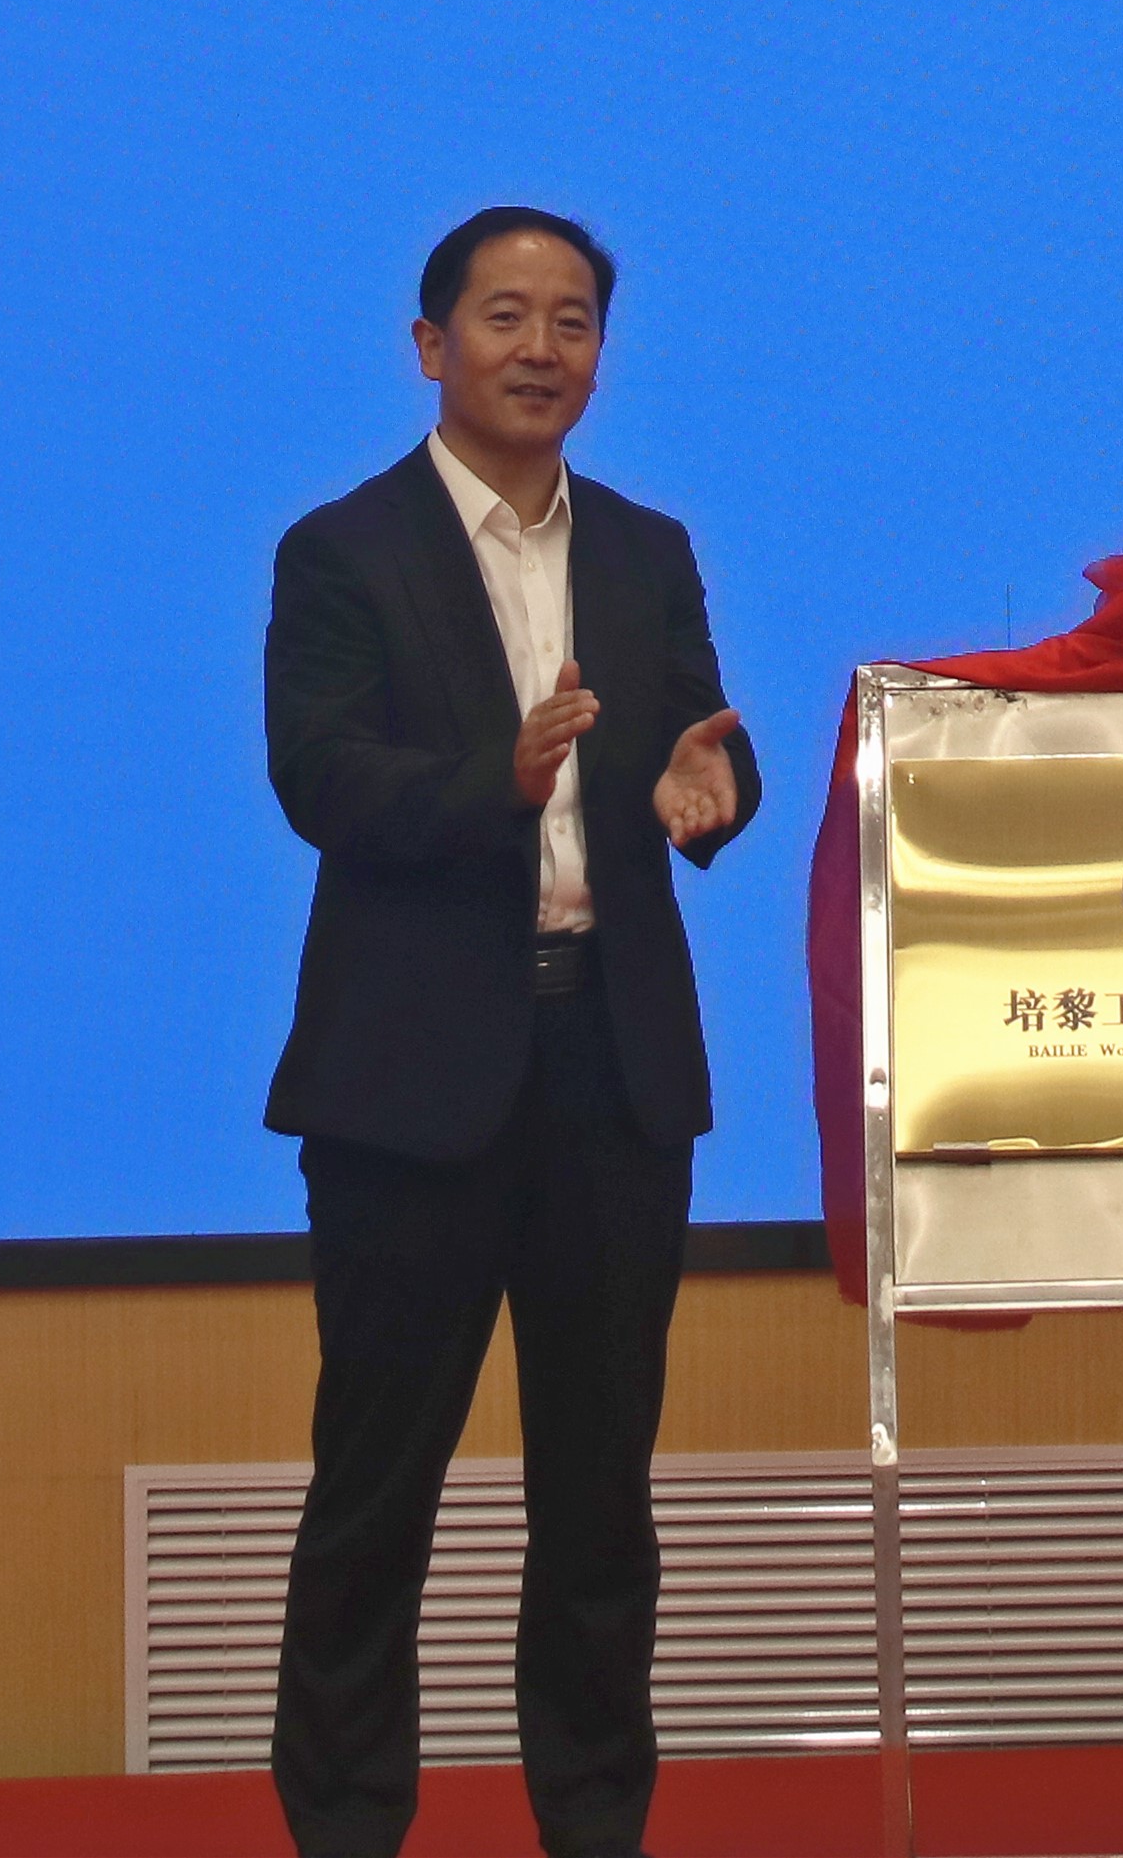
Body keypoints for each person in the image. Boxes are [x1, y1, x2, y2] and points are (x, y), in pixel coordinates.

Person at [263, 206, 762, 1858]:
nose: (541, 347)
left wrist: (713, 789)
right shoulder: (343, 549)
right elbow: (321, 778)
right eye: (505, 315)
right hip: (412, 1082)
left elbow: (702, 737)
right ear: (431, 344)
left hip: (611, 1070)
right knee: (376, 1487)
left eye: (572, 321)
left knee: (602, 1492)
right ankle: (348, 1826)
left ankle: (596, 1824)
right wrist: (508, 775)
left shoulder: (645, 547)